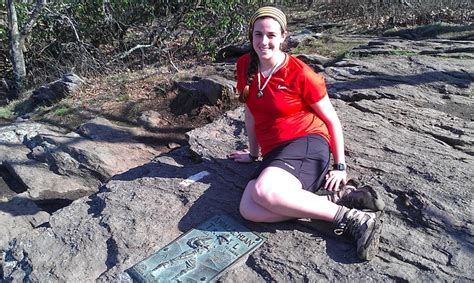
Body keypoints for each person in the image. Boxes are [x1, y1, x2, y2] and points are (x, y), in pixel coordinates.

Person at [228, 6, 385, 261]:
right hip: (276, 153)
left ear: (283, 37)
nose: (264, 41)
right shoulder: (245, 65)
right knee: (249, 209)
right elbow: (251, 113)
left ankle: (355, 220)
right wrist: (253, 154)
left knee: (264, 192)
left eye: (271, 34)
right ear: (251, 36)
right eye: (258, 34)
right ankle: (334, 198)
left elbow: (332, 121)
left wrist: (340, 166)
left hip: (307, 141)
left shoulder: (300, 73)